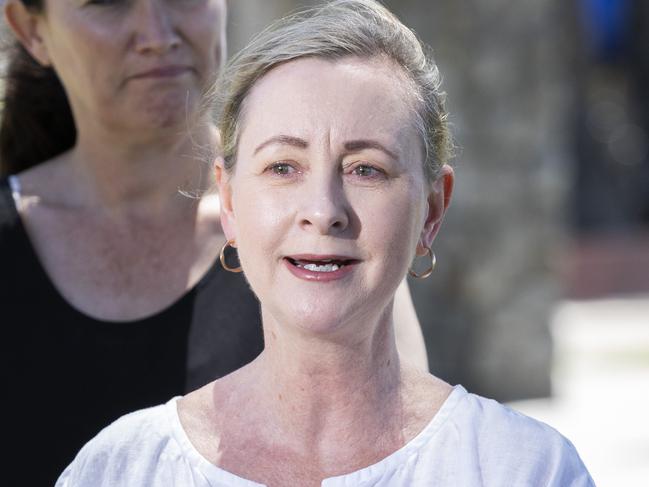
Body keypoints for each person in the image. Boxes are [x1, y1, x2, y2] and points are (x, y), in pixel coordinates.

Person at [55, 1, 595, 485]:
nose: (323, 211)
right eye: (283, 166)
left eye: (366, 169)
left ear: (432, 208)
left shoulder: (524, 469)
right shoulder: (120, 469)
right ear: (231, 201)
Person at [0, 0, 427, 485]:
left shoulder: (326, 246)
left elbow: (404, 467)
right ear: (31, 29)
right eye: (109, 2)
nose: (157, 32)